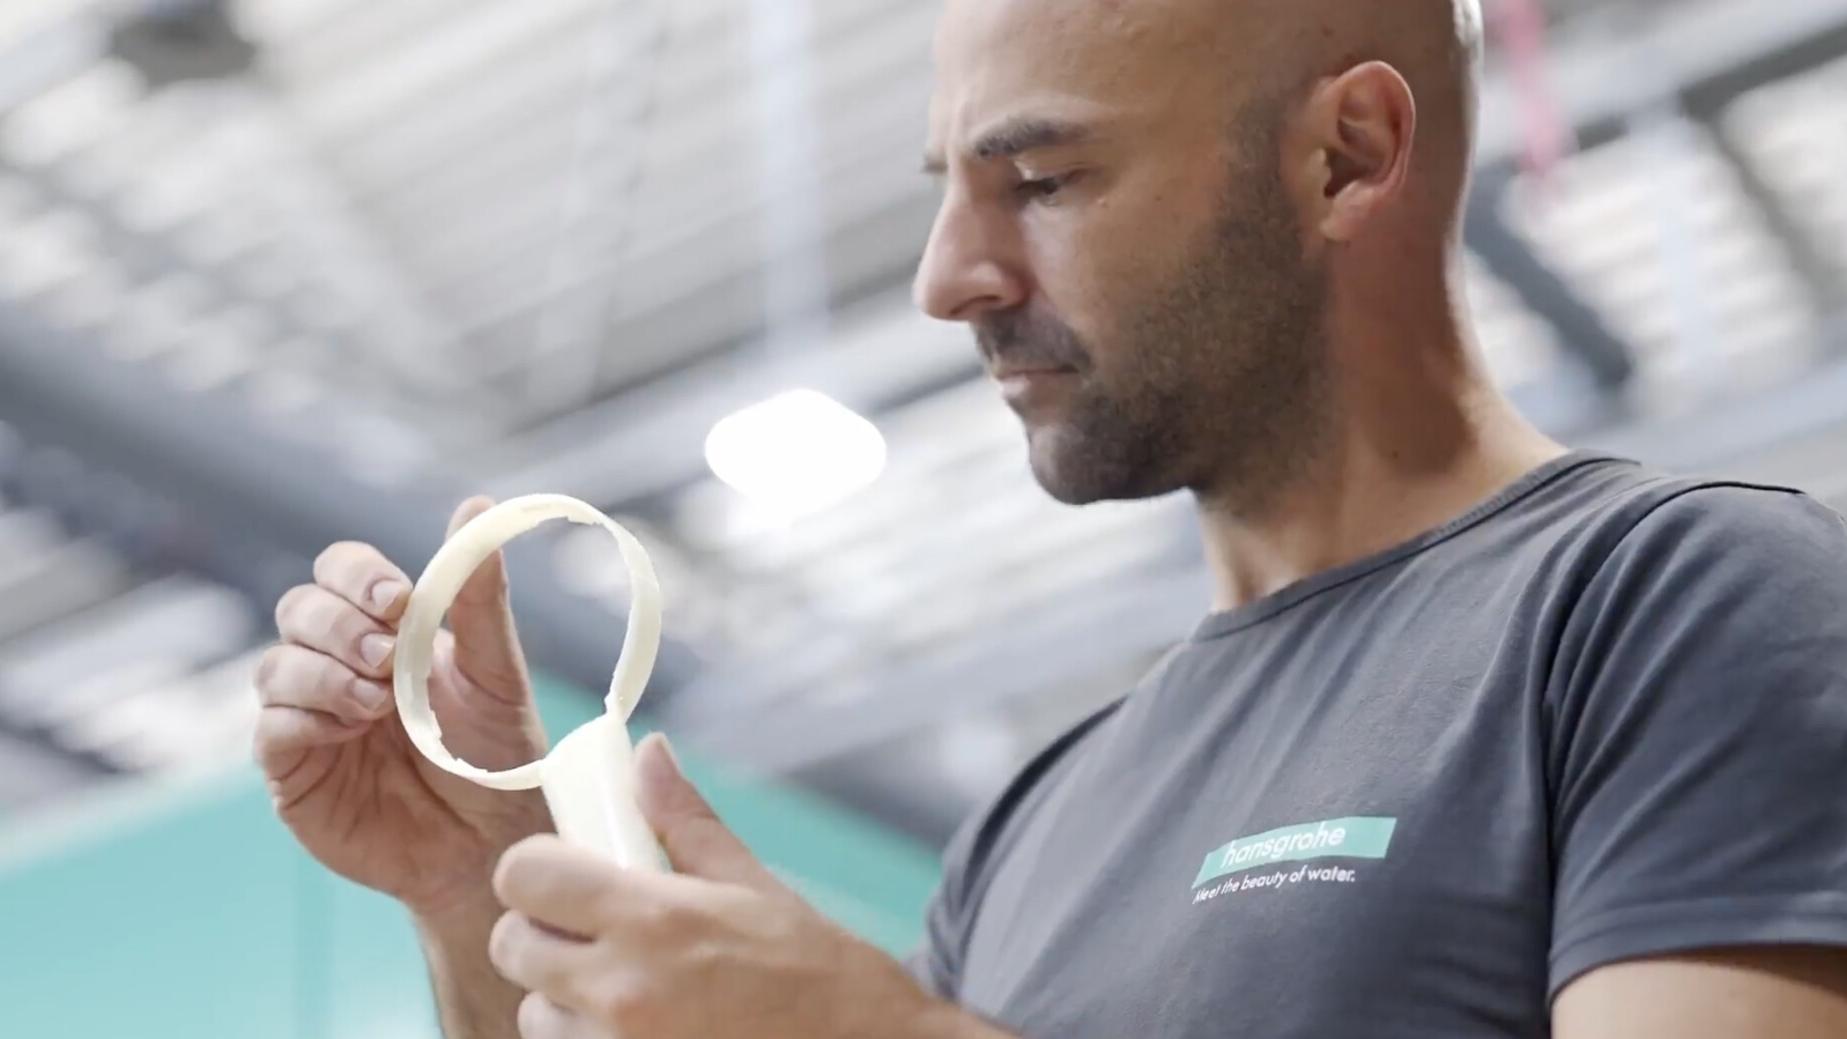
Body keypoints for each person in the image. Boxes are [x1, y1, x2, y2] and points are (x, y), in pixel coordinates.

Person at [255, 0, 1847, 1035]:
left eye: (1047, 181)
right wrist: (493, 908)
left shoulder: (1680, 606)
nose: (951, 279)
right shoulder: (1043, 826)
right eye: (951, 185)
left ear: (1345, 157)